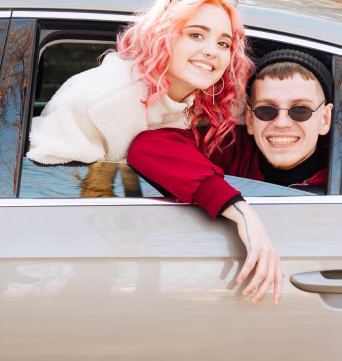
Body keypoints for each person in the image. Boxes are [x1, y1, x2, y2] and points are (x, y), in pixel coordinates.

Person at [128, 49, 334, 306]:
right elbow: (147, 147)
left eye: (300, 110)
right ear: (249, 118)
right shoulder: (229, 149)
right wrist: (240, 210)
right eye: (266, 110)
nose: (281, 123)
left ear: (325, 119)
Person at [27, 0, 252, 165]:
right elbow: (47, 181)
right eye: (196, 35)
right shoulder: (97, 100)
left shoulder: (220, 103)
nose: (212, 51)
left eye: (223, 43)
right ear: (161, 36)